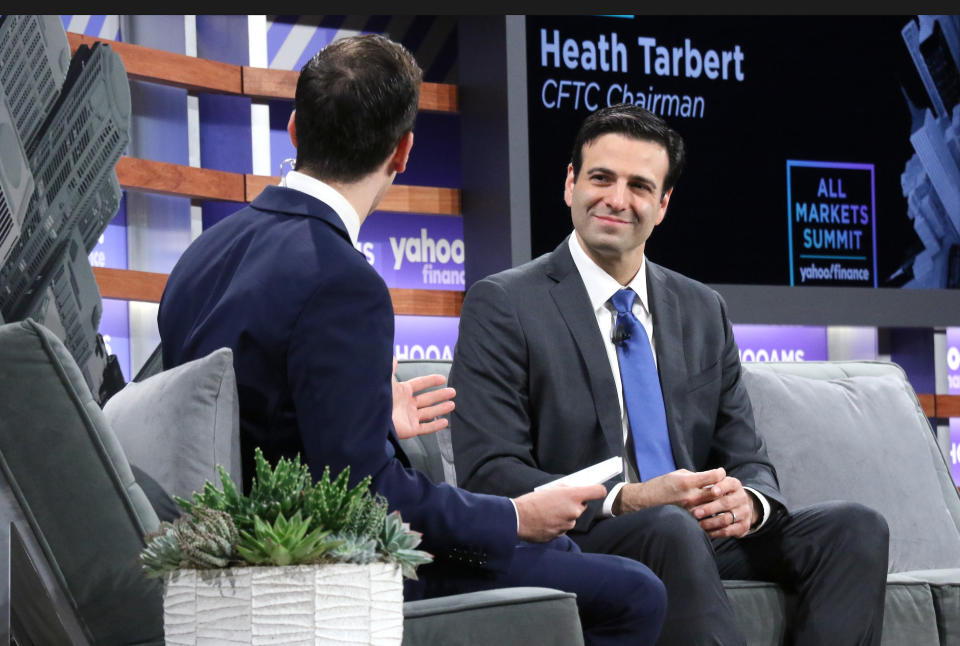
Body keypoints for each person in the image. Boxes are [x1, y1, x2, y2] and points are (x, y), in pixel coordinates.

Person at [157, 35, 666, 645]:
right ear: (403, 152)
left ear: (293, 130)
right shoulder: (343, 281)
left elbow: (255, 426)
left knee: (576, 561)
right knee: (634, 592)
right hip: (326, 576)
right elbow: (367, 497)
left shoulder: (202, 254)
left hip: (235, 562)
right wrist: (514, 515)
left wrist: (370, 422)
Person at [449, 103, 890, 645]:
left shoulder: (702, 308)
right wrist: (626, 498)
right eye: (601, 178)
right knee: (668, 525)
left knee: (855, 528)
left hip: (692, 533)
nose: (616, 199)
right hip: (588, 534)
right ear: (570, 184)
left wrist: (748, 503)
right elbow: (490, 473)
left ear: (663, 204)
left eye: (639, 186)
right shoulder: (504, 304)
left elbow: (747, 457)